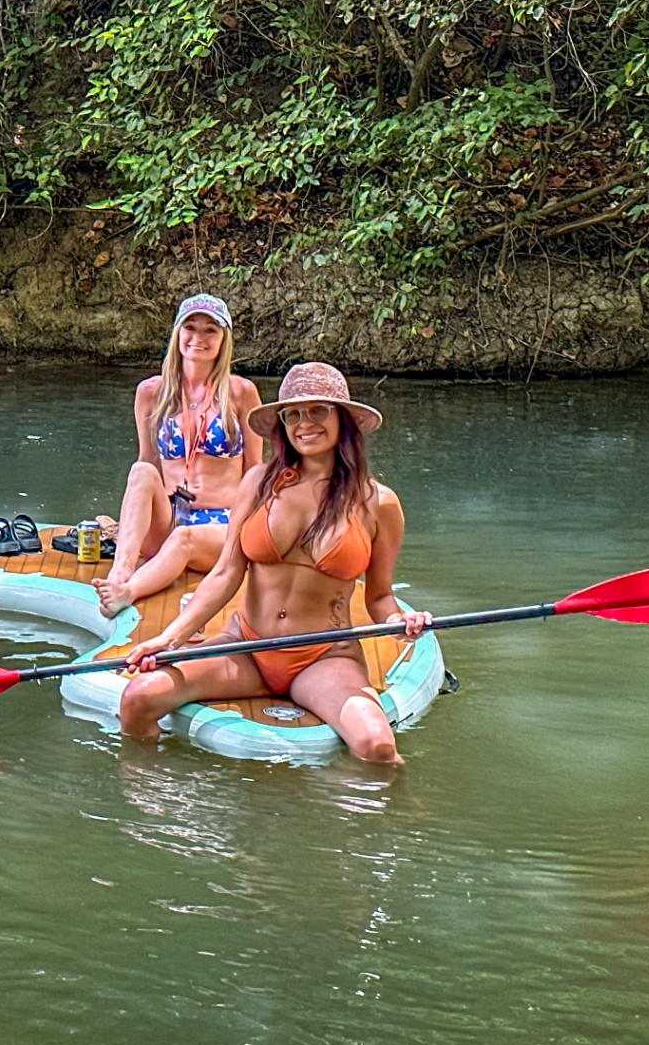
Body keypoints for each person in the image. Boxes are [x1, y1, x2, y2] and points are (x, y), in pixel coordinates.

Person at [118, 362, 431, 764]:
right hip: (248, 644)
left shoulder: (378, 503)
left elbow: (381, 596)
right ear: (281, 423)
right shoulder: (258, 483)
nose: (305, 423)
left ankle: (373, 820)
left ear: (343, 419)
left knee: (377, 747)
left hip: (323, 656)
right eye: (293, 414)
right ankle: (154, 802)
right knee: (139, 698)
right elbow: (226, 574)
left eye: (318, 410)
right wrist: (170, 639)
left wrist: (397, 625)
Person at [93, 294, 262, 617]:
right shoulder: (151, 392)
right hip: (169, 518)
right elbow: (148, 463)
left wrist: (255, 532)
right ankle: (120, 572)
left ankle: (128, 592)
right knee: (141, 472)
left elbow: (255, 470)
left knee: (185, 538)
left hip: (221, 524)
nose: (198, 338)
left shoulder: (241, 392)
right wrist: (132, 526)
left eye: (210, 330)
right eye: (191, 328)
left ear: (224, 339)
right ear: (177, 334)